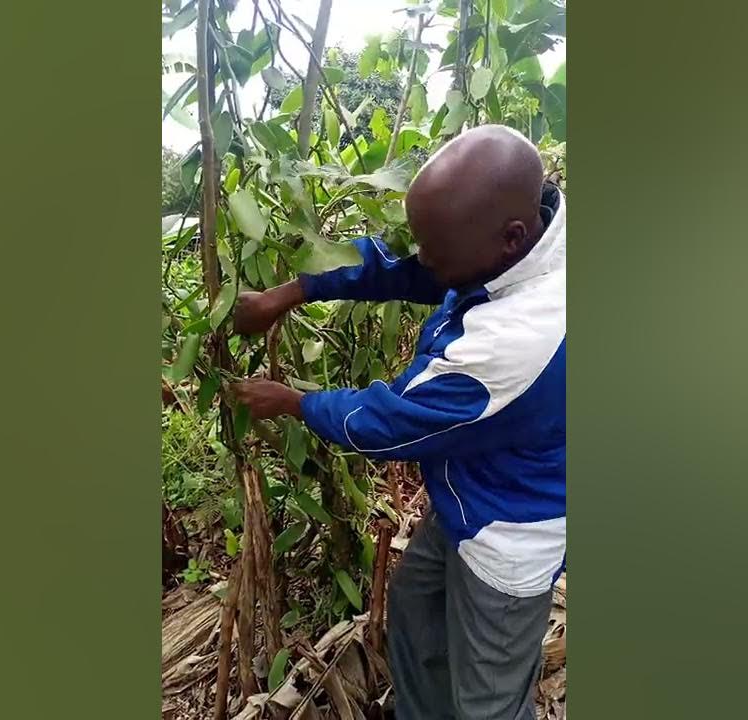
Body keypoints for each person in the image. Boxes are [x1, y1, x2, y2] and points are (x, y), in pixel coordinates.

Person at [231, 124, 565, 720]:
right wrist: (293, 291)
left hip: (510, 527)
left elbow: (391, 422)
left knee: (488, 702)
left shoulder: (518, 338)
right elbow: (410, 266)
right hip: (470, 487)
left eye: (437, 251)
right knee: (415, 614)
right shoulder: (520, 234)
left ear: (511, 239)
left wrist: (292, 401)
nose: (425, 261)